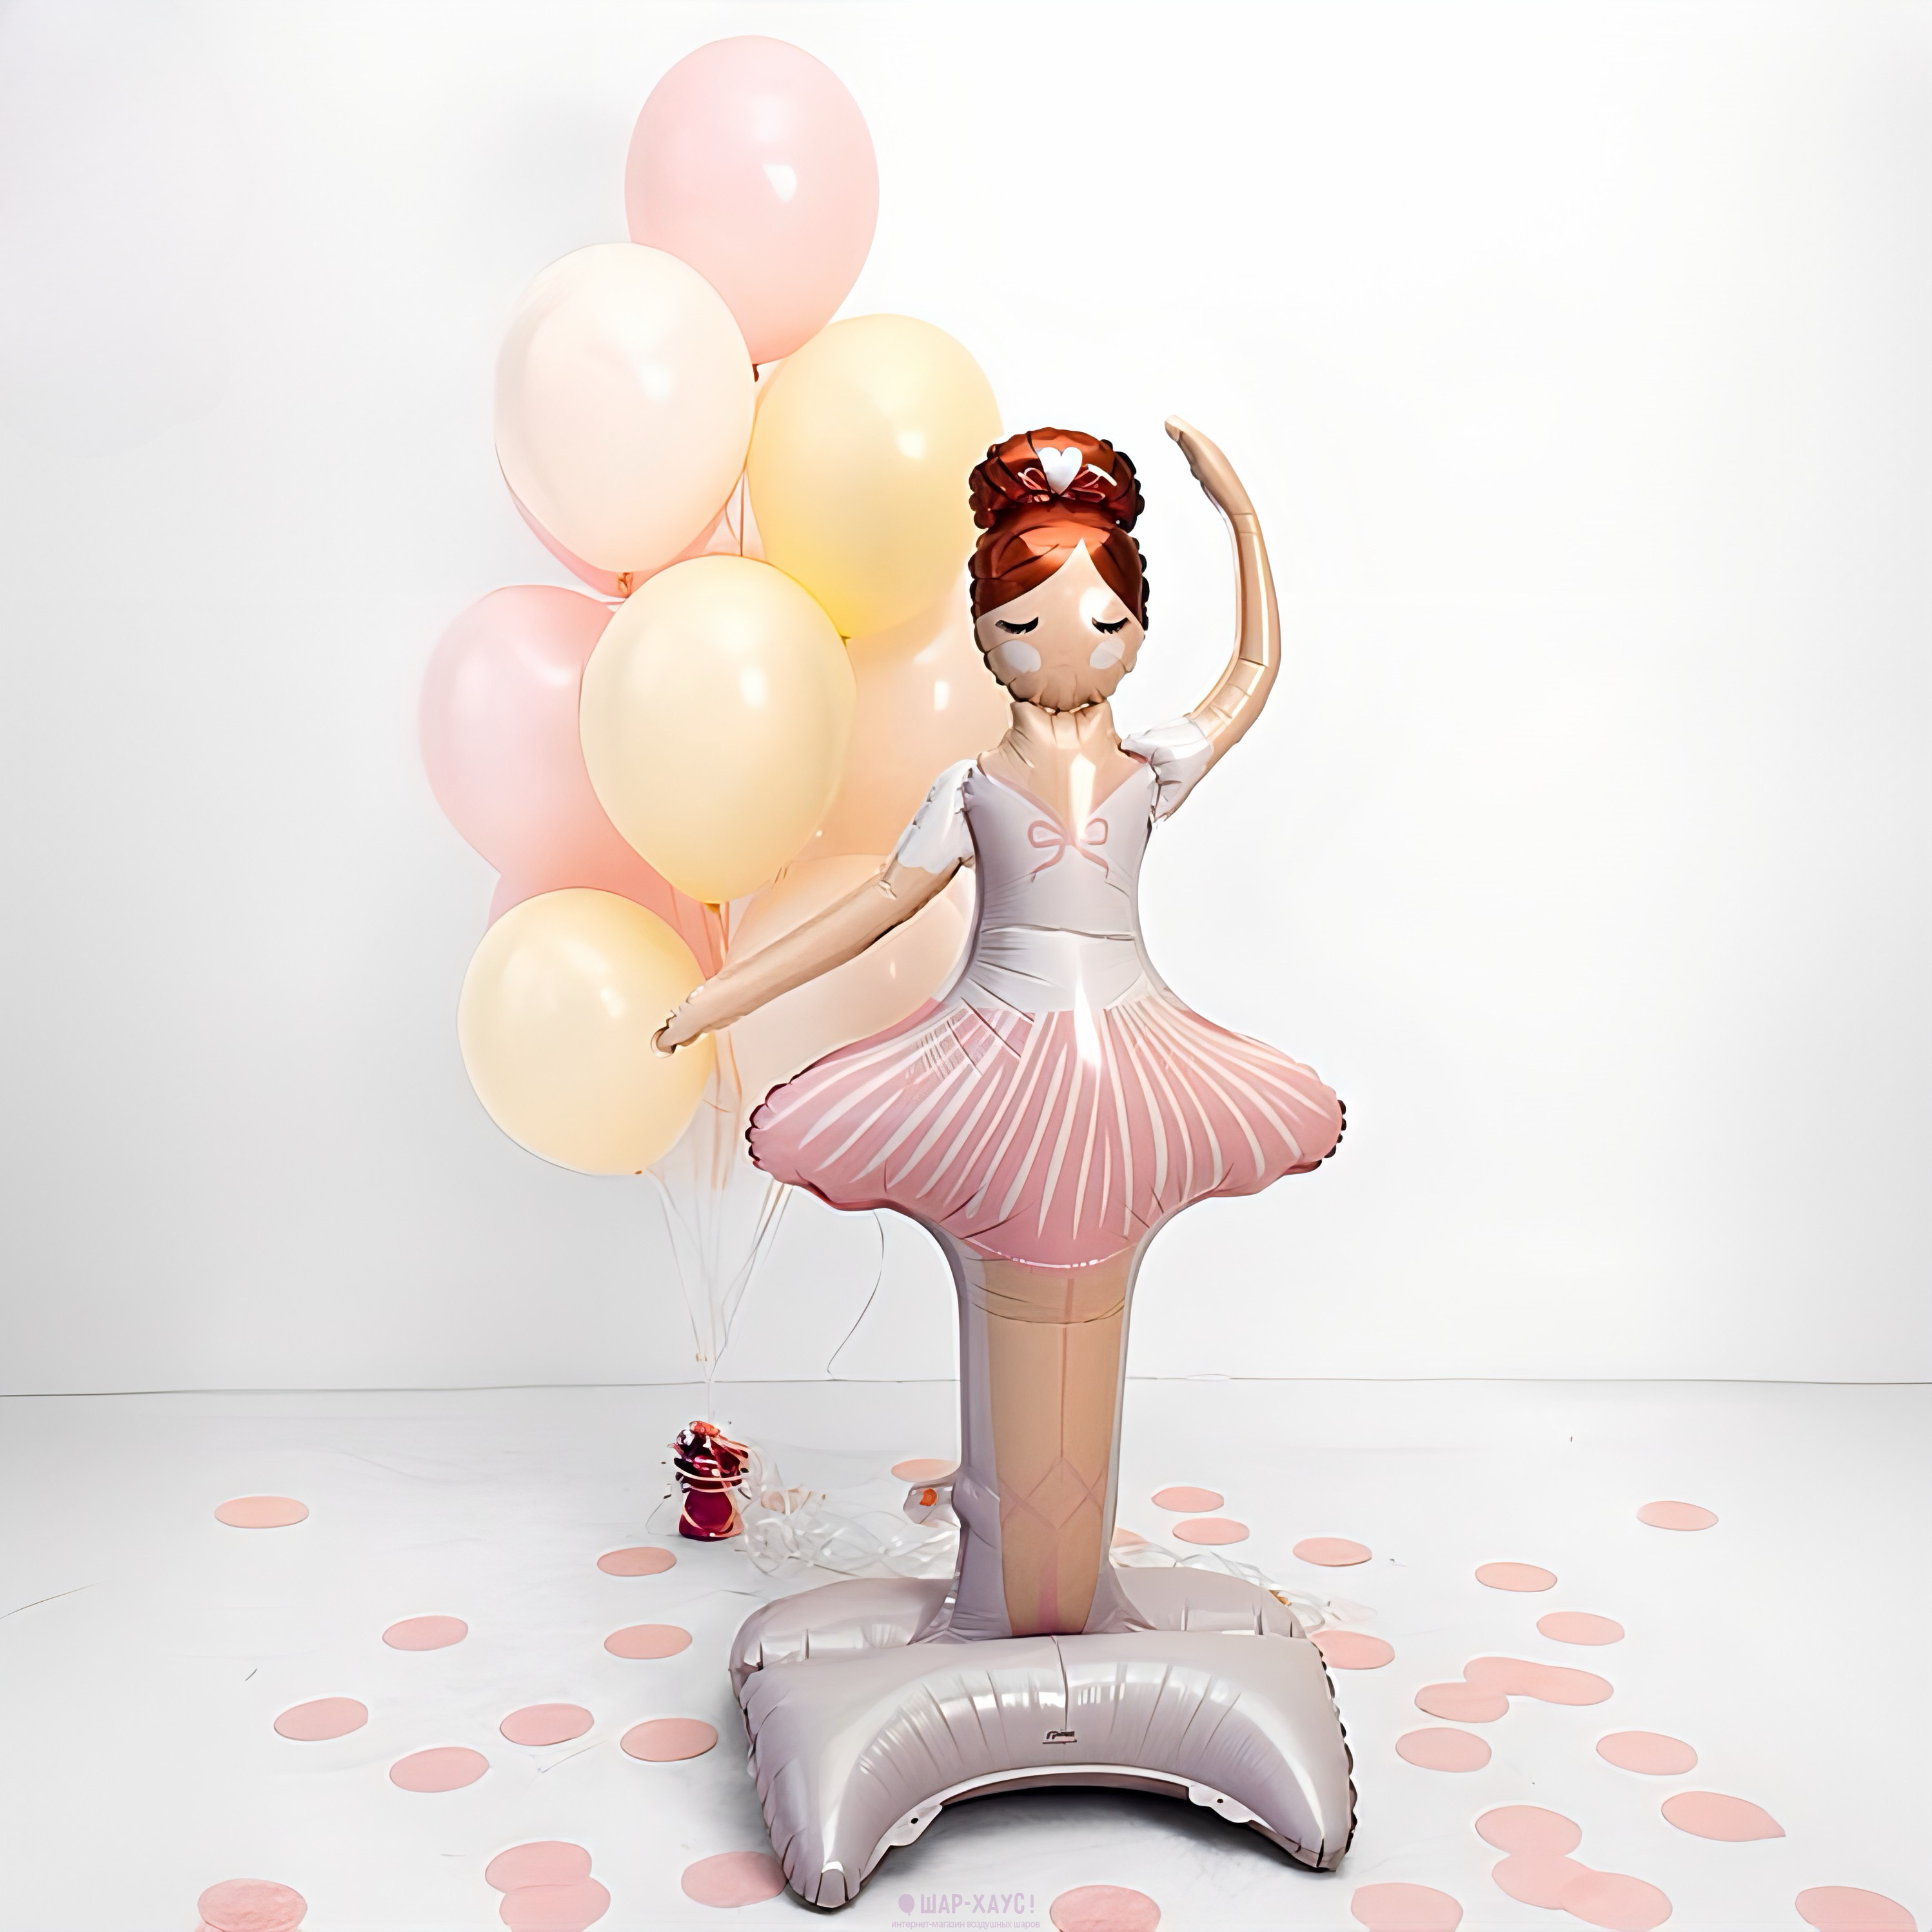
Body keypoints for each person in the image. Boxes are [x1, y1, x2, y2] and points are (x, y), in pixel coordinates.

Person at [658, 420, 1343, 1641]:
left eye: (1103, 623)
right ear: (982, 633)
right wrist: (721, 997)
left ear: (1136, 630)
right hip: (991, 1066)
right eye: (1023, 623)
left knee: (1081, 1294)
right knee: (1022, 1296)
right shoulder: (969, 788)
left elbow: (1253, 671)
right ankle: (1015, 1573)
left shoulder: (1153, 764)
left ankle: (1055, 1585)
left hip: (1134, 1060)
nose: (1066, 646)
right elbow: (879, 906)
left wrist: (1242, 516)